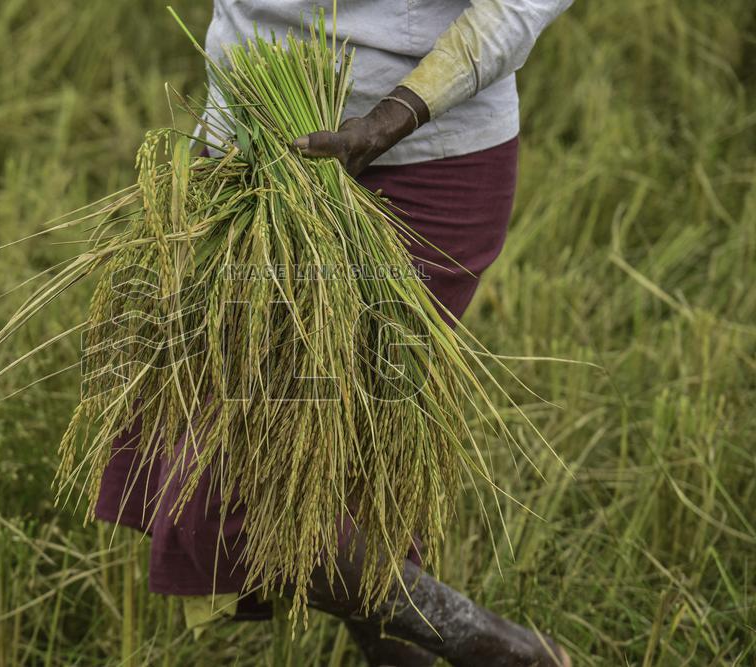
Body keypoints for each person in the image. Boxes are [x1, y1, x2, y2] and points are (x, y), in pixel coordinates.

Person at [97, 1, 574, 664]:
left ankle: (494, 647)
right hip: (249, 154)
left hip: (422, 164)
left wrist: (389, 118)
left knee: (264, 488)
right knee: (326, 482)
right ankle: (458, 647)